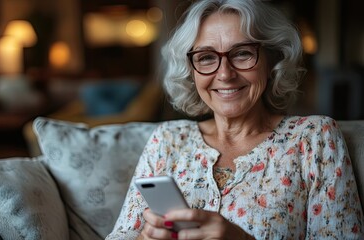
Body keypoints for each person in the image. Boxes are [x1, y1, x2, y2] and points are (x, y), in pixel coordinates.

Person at [106, 0, 364, 239]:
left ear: (272, 59)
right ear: (191, 70)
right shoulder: (167, 139)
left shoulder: (313, 137)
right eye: (206, 57)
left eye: (242, 53)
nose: (225, 74)